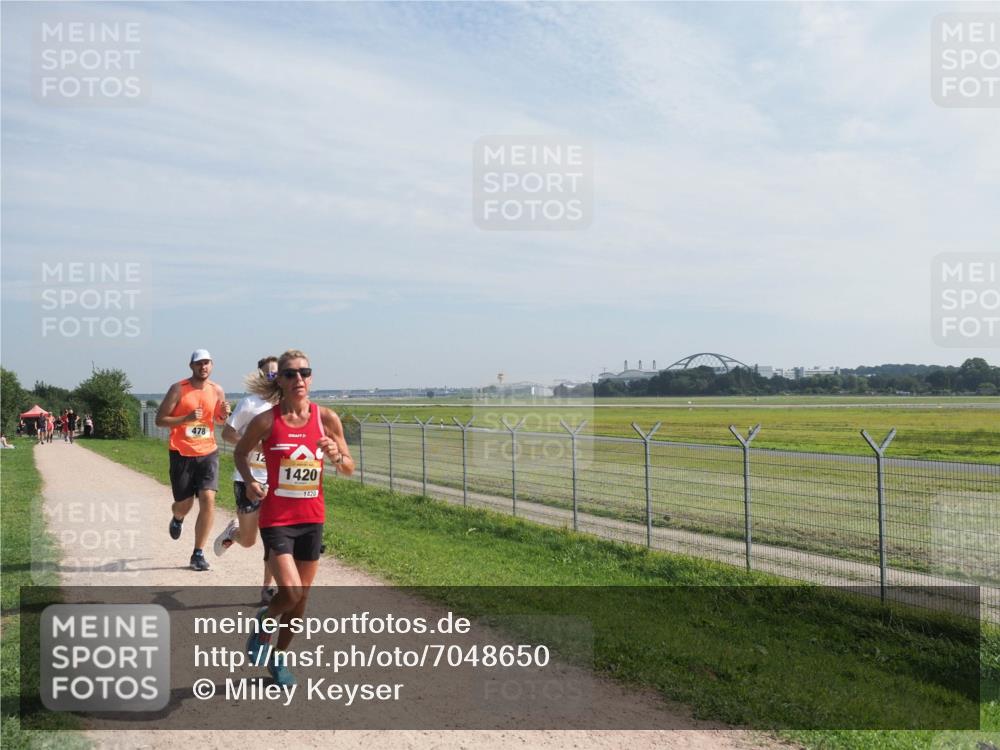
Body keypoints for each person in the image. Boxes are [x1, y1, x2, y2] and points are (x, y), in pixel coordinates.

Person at [237, 350, 353, 686]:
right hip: (277, 519)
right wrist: (249, 481)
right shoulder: (266, 421)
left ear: (311, 377)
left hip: (312, 518)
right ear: (280, 381)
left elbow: (348, 466)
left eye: (305, 372)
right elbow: (242, 452)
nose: (298, 379)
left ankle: (279, 658)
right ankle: (265, 622)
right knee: (289, 592)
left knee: (302, 598)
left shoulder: (326, 418)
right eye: (290, 374)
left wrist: (336, 456)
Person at [155, 349, 231, 572]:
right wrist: (185, 419)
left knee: (208, 498)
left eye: (207, 363)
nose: (203, 367)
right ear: (191, 366)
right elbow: (160, 420)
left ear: (212, 365)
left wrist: (224, 414)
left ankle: (198, 553)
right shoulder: (178, 389)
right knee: (185, 504)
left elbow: (217, 421)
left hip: (208, 452)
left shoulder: (217, 390)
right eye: (199, 364)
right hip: (181, 453)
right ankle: (177, 517)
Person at [214, 356, 280, 604]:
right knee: (250, 540)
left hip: (277, 482)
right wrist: (253, 445)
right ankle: (234, 531)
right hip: (247, 478)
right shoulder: (250, 404)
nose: (273, 378)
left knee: (274, 538)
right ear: (260, 376)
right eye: (268, 374)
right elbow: (228, 432)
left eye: (277, 373)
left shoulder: (288, 406)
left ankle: (267, 589)